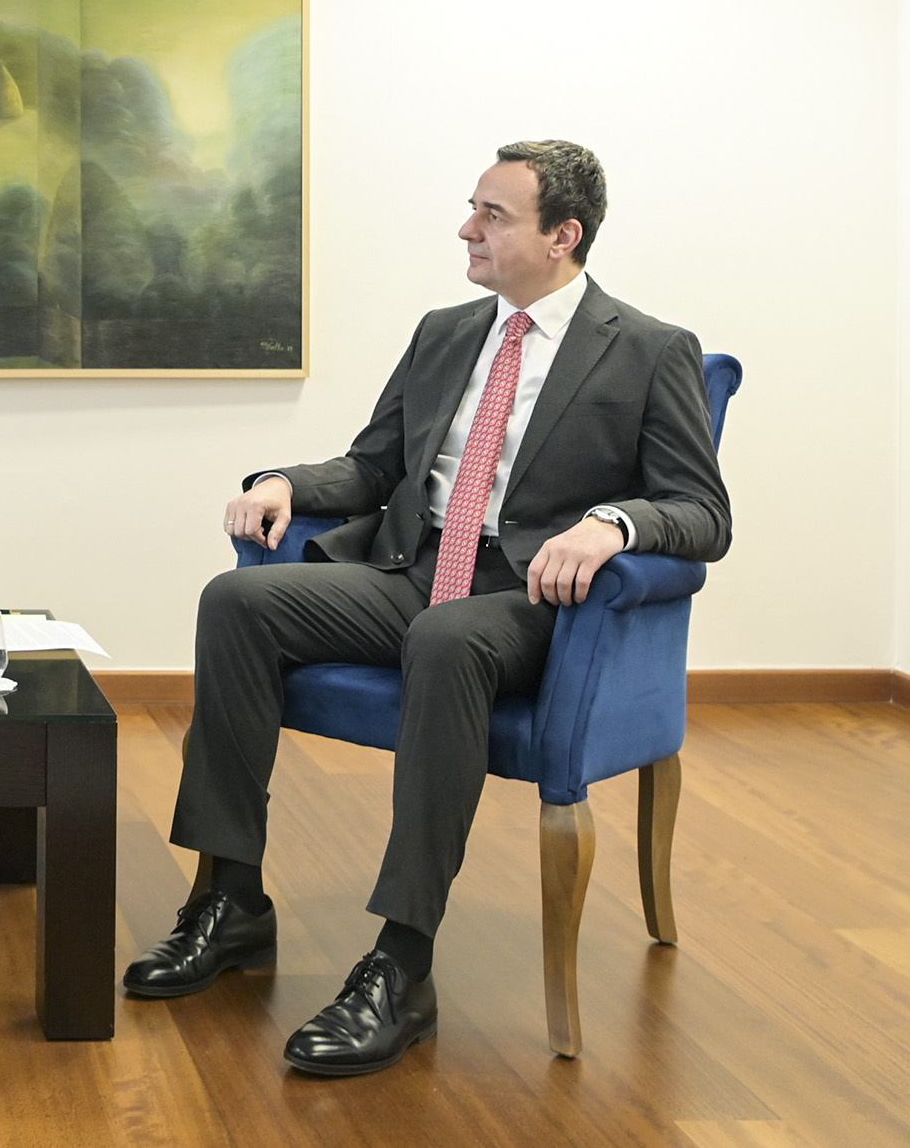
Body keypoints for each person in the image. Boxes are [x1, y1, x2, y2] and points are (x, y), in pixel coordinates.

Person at [123, 140, 730, 1075]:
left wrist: (613, 523)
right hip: (413, 568)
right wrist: (285, 480)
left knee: (447, 638)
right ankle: (230, 898)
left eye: (493, 214)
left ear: (563, 236)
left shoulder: (650, 350)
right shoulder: (447, 331)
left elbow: (702, 512)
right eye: (473, 207)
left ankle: (402, 964)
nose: (466, 228)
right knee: (237, 599)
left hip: (528, 596)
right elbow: (375, 466)